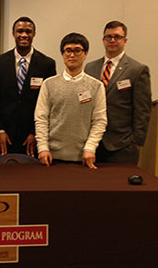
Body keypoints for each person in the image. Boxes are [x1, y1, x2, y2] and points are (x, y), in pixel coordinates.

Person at [35, 33, 107, 169]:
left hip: (84, 157)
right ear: (62, 54)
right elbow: (41, 118)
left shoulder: (96, 86)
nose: (72, 55)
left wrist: (90, 147)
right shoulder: (49, 84)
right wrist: (42, 148)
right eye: (68, 50)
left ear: (85, 53)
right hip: (51, 158)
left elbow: (100, 120)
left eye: (77, 50)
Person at [85, 21, 152, 164]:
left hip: (122, 144)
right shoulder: (90, 68)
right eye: (108, 37)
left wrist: (137, 141)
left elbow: (143, 110)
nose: (113, 40)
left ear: (125, 41)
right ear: (103, 40)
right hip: (92, 143)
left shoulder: (137, 70)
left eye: (117, 37)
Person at [0, 16, 56, 157]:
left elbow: (50, 104)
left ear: (34, 34)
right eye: (20, 31)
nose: (24, 35)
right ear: (13, 33)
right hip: (5, 137)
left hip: (33, 138)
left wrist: (35, 132)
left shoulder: (47, 64)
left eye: (28, 31)